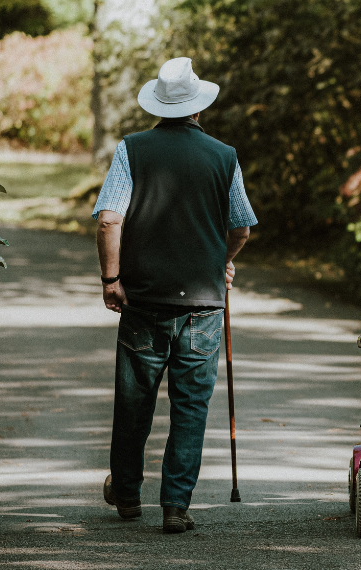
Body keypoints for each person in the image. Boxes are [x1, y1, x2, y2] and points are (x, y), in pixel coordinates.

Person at [92, 57, 257, 534]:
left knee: (134, 403)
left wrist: (111, 279)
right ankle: (175, 506)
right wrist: (219, 260)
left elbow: (108, 219)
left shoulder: (132, 149)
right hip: (203, 305)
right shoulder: (224, 156)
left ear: (158, 106)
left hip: (143, 301)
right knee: (191, 408)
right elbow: (241, 227)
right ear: (198, 107)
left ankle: (126, 494)